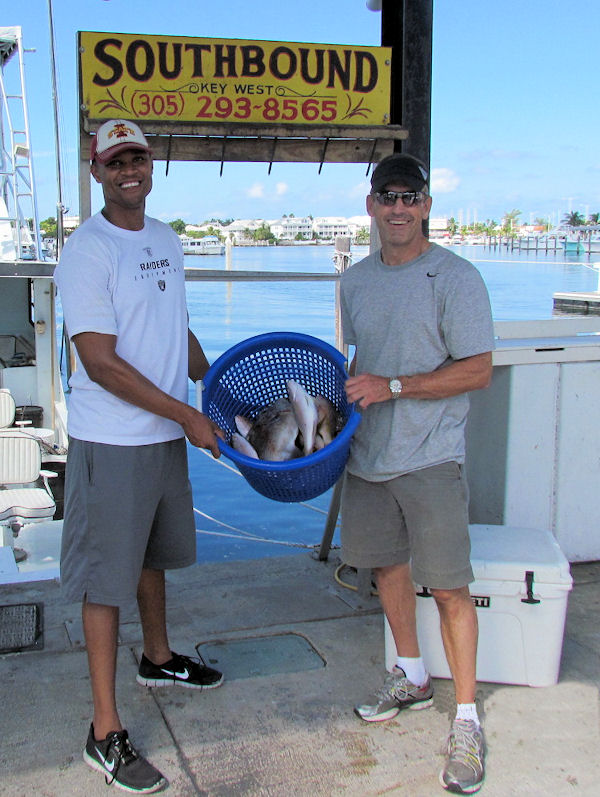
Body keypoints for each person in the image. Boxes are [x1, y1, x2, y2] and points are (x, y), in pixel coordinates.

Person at [55, 119, 225, 794]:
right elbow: (98, 362)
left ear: (152, 168)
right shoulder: (86, 251)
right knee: (106, 581)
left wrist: (213, 381)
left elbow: (172, 322)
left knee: (152, 556)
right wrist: (186, 413)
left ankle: (157, 657)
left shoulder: (166, 238)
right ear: (97, 172)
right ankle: (104, 731)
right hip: (113, 440)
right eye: (116, 160)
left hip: (161, 435)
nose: (130, 169)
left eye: (140, 158)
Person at [340, 153, 494, 794]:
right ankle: (410, 672)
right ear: (371, 206)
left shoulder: (455, 277)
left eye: (410, 198)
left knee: (451, 588)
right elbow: (359, 362)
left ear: (427, 206)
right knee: (387, 571)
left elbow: (477, 370)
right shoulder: (354, 281)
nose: (398, 209)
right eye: (387, 197)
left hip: (431, 456)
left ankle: (466, 718)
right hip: (367, 457)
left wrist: (394, 386)